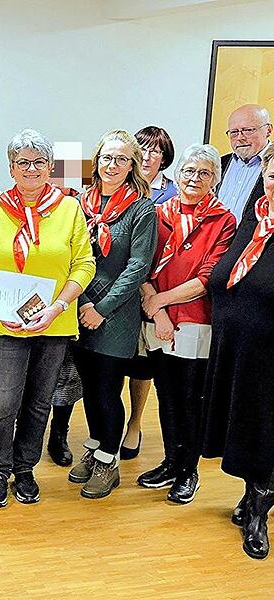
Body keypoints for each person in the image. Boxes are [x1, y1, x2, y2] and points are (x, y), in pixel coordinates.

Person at [0, 128, 95, 508]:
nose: (31, 169)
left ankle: (25, 469)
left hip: (54, 323)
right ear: (10, 167)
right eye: (23, 162)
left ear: (50, 166)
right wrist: (0, 305)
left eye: (39, 162)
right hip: (6, 326)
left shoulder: (69, 208)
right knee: (3, 402)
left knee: (39, 402)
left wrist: (57, 307)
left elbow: (83, 264)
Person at [137, 144, 235, 504]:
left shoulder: (224, 220)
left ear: (215, 181)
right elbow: (142, 267)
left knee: (190, 398)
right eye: (189, 171)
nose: (194, 178)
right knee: (166, 395)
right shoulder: (158, 212)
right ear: (177, 175)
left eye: (204, 173)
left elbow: (208, 277)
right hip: (158, 319)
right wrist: (157, 311)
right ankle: (170, 461)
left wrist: (159, 302)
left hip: (196, 321)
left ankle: (188, 471)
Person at [64, 130, 156, 499]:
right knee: (89, 389)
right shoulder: (79, 202)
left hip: (115, 314)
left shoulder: (141, 208)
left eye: (122, 159)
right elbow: (71, 254)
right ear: (95, 161)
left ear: (132, 165)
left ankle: (109, 462)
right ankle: (97, 445)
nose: (112, 165)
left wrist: (100, 308)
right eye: (106, 158)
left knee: (106, 390)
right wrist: (84, 301)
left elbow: (138, 266)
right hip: (79, 306)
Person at [202, 145, 274, 560]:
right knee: (247, 428)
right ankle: (251, 496)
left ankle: (259, 514)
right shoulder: (256, 218)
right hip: (238, 350)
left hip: (270, 356)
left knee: (266, 431)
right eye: (271, 174)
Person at [120, 125, 178, 461]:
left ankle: (135, 423)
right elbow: (59, 168)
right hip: (117, 290)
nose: (148, 155)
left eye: (156, 150)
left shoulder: (171, 194)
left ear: (165, 158)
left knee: (142, 366)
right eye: (141, 148)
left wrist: (151, 295)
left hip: (153, 291)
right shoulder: (114, 181)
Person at [216, 104, 271, 222]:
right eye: (234, 132)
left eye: (248, 130)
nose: (240, 138)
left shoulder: (271, 166)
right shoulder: (219, 164)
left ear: (268, 130)